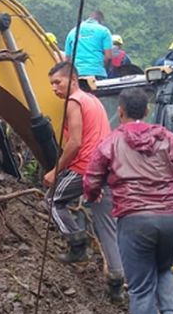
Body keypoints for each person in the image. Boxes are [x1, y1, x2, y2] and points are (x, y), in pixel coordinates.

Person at [83, 87, 173, 314]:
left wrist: (93, 194)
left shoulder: (112, 141)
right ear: (147, 111)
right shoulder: (167, 138)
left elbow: (92, 177)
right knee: (164, 268)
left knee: (140, 288)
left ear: (120, 111)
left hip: (135, 218)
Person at [44, 61, 125, 296]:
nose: (54, 88)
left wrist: (55, 171)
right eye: (51, 84)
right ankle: (116, 282)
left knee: (52, 201)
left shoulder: (74, 101)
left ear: (72, 79)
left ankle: (77, 244)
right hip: (108, 167)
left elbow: (76, 142)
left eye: (57, 82)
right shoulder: (94, 101)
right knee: (107, 227)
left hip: (86, 168)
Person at [63, 11, 114, 79]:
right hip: (97, 73)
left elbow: (67, 59)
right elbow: (108, 56)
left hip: (77, 73)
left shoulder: (72, 32)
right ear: (100, 21)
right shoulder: (104, 31)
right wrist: (102, 68)